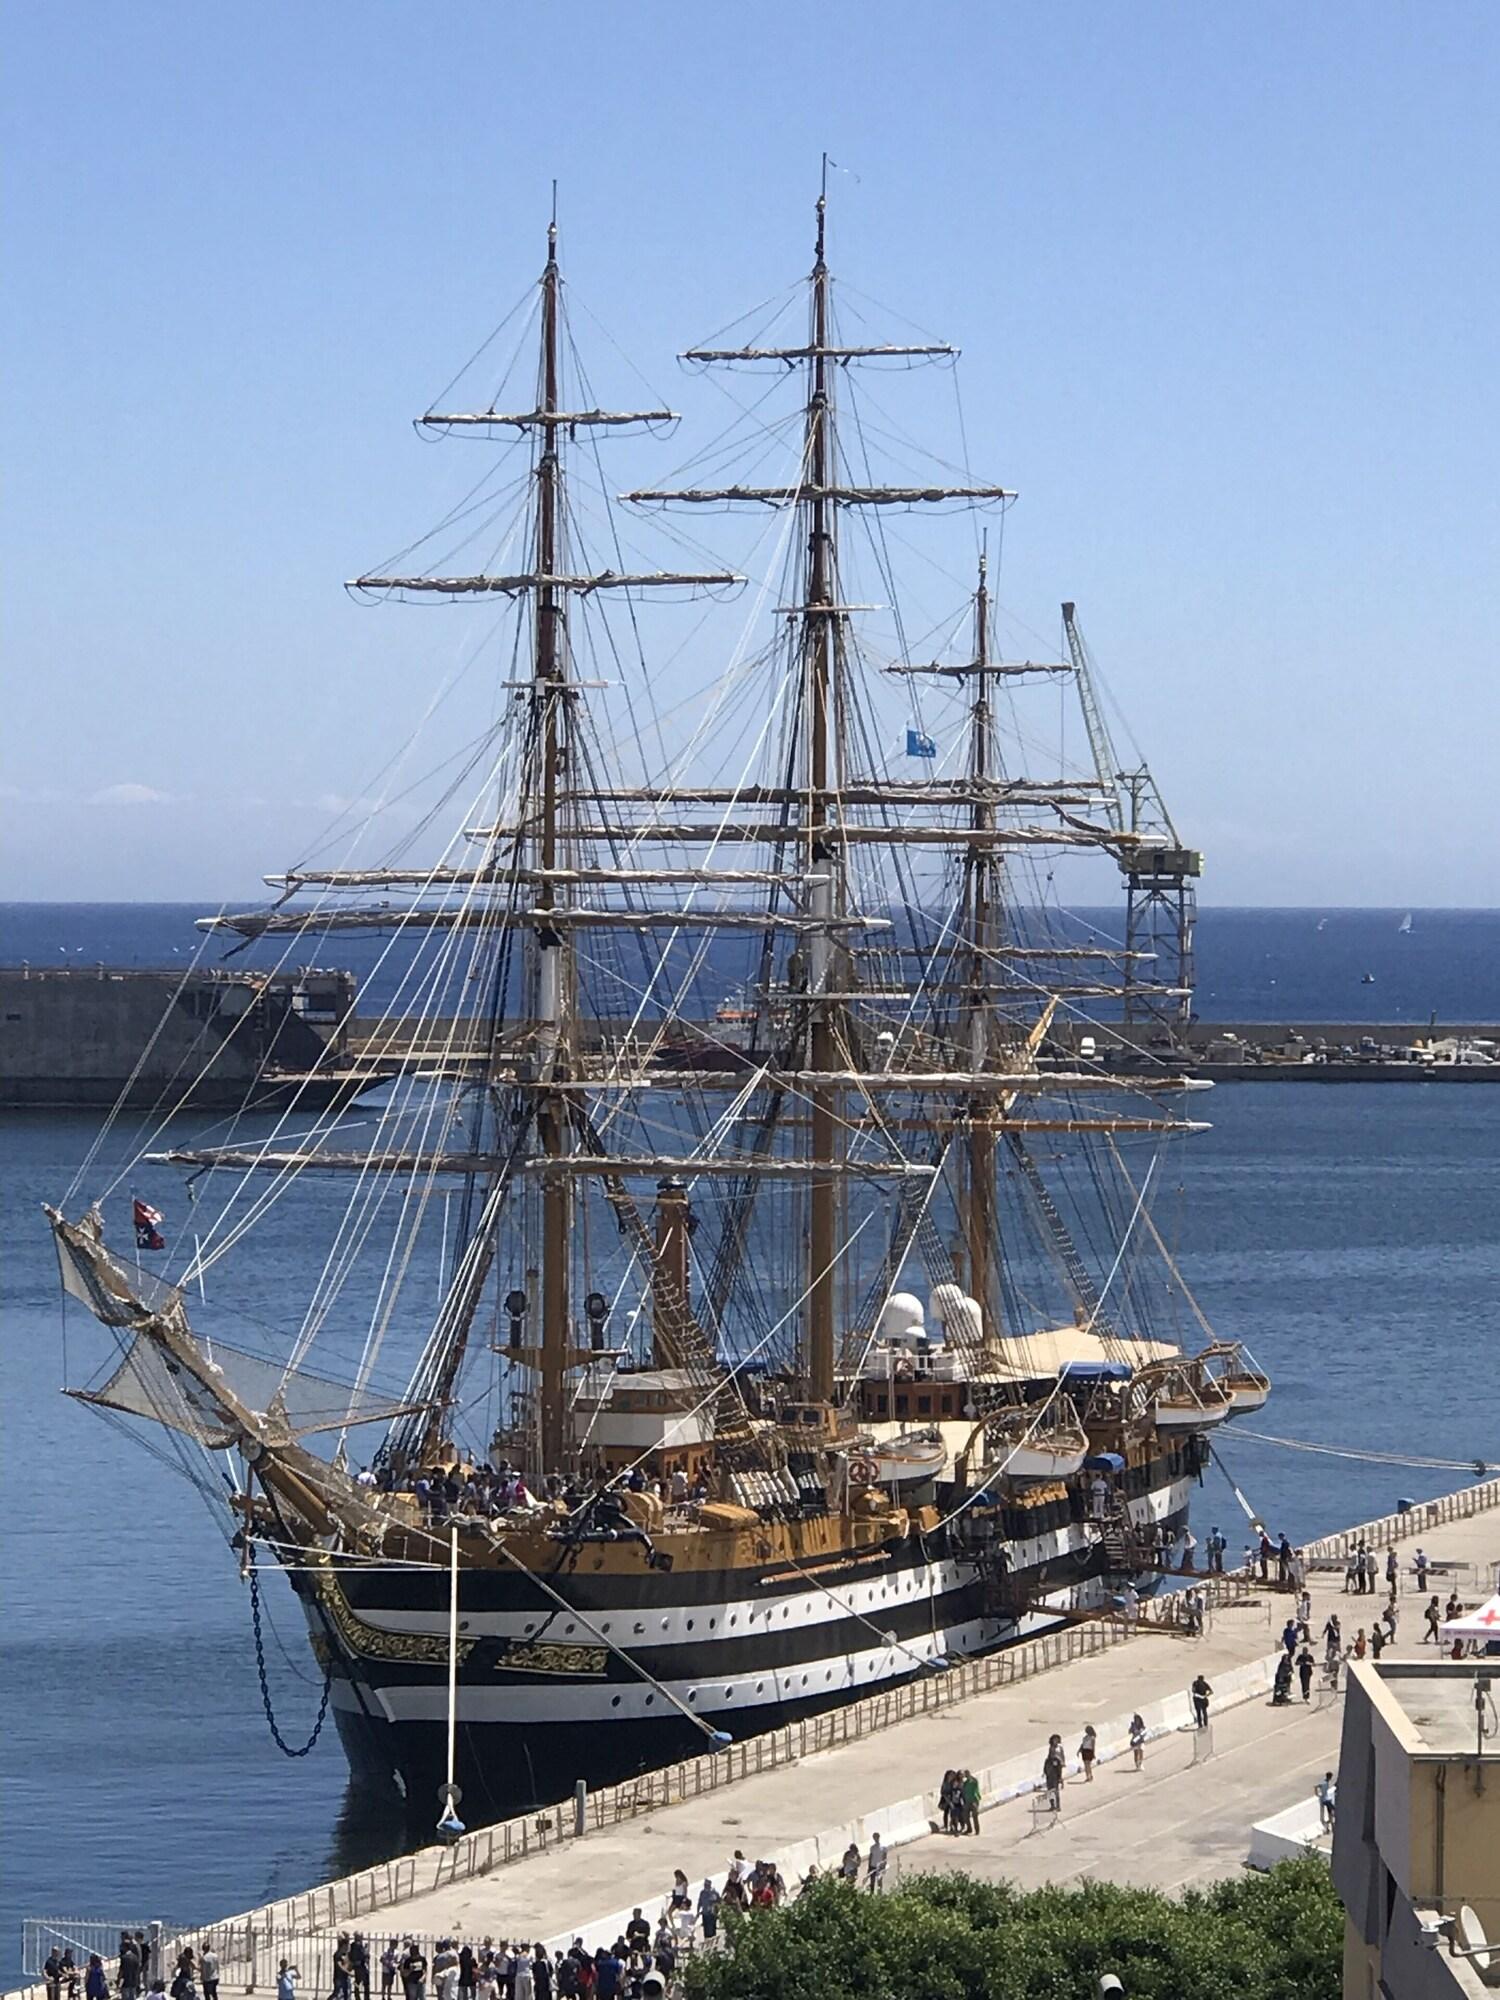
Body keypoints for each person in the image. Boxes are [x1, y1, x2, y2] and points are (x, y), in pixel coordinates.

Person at [1043, 1734, 1065, 1811]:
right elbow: (1045, 1769)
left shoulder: (1056, 1761)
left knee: (1055, 1791)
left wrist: (1060, 1778)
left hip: (1055, 1777)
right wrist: (1045, 1774)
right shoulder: (1047, 1761)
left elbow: (1059, 1769)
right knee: (1050, 1792)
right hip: (1049, 1777)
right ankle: (1052, 1805)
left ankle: (1058, 1806)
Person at [960, 1767, 980, 1834]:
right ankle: (969, 1829)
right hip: (967, 1801)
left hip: (974, 1801)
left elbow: (975, 1782)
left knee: (975, 1816)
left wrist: (970, 1776)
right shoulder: (965, 1783)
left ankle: (977, 1830)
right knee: (965, 1816)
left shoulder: (973, 1781)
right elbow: (962, 1790)